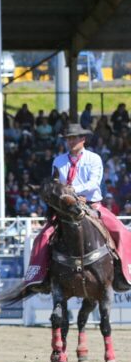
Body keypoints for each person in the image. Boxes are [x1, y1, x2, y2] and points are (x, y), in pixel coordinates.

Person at [26, 123, 131, 288]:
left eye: (74, 138)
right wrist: (63, 196)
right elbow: (55, 184)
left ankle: (123, 274)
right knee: (43, 237)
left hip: (91, 205)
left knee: (121, 230)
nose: (71, 141)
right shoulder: (58, 161)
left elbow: (94, 183)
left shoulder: (94, 159)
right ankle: (39, 278)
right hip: (64, 208)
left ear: (83, 139)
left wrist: (73, 191)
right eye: (68, 138)